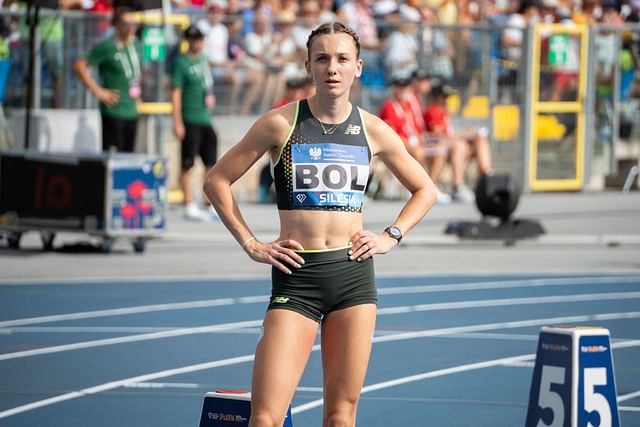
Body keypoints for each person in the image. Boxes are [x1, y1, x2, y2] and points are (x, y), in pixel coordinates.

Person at [203, 22, 435, 427]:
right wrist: (251, 243)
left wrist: (390, 236)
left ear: (358, 67)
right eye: (323, 58)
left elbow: (425, 189)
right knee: (265, 419)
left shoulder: (372, 129)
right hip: (297, 280)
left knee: (341, 417)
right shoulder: (280, 123)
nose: (333, 67)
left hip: (353, 279)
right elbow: (217, 181)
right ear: (308, 65)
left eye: (342, 59)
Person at [73, 7, 141, 153]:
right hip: (114, 111)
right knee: (113, 158)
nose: (131, 28)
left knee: (130, 157)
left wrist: (138, 97)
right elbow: (79, 66)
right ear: (116, 25)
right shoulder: (108, 47)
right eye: (126, 24)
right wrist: (98, 91)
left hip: (132, 111)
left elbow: (136, 73)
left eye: (133, 24)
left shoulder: (135, 45)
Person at [170, 24, 219, 221]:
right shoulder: (181, 63)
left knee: (211, 162)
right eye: (194, 39)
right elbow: (175, 93)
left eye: (200, 39)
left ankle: (208, 202)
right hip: (190, 118)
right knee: (187, 162)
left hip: (205, 117)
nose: (198, 42)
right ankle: (188, 202)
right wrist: (177, 121)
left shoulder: (204, 59)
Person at [424, 81, 494, 203]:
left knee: (480, 139)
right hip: (440, 146)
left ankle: (486, 175)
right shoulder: (432, 111)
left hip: (450, 145)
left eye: (446, 97)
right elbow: (439, 137)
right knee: (460, 145)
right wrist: (464, 135)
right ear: (436, 97)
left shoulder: (443, 112)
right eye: (443, 97)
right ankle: (458, 186)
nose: (445, 100)